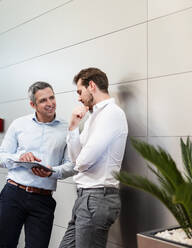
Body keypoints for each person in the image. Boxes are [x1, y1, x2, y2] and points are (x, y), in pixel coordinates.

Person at [0, 81, 76, 248]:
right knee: (5, 245)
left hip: (43, 200)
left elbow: (71, 165)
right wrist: (20, 157)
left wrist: (51, 172)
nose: (50, 104)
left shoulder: (67, 129)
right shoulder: (19, 124)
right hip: (13, 194)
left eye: (52, 98)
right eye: (43, 100)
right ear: (33, 104)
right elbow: (1, 158)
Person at [59, 68, 128, 248]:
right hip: (85, 198)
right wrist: (73, 126)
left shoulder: (112, 114)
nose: (79, 98)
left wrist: (80, 161)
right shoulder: (92, 117)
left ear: (91, 86)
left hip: (97, 197)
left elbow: (82, 162)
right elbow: (76, 160)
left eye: (80, 91)